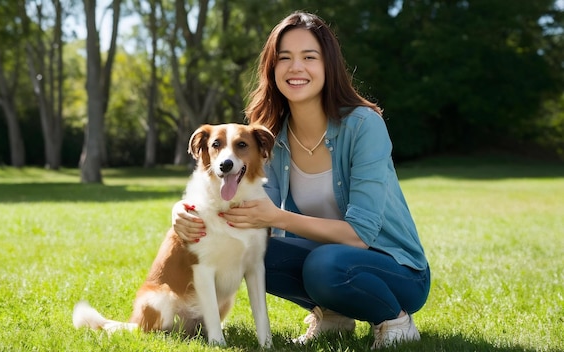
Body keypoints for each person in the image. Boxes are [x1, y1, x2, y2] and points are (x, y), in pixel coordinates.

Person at [172, 11, 430, 349]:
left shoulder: (364, 126)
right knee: (249, 252)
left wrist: (277, 217)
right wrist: (184, 211)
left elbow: (361, 235)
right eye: (284, 58)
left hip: (397, 272)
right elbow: (245, 210)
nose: (296, 67)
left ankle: (396, 321)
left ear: (328, 66)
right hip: (328, 264)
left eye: (309, 57)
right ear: (272, 68)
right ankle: (334, 316)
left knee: (326, 264)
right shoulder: (271, 136)